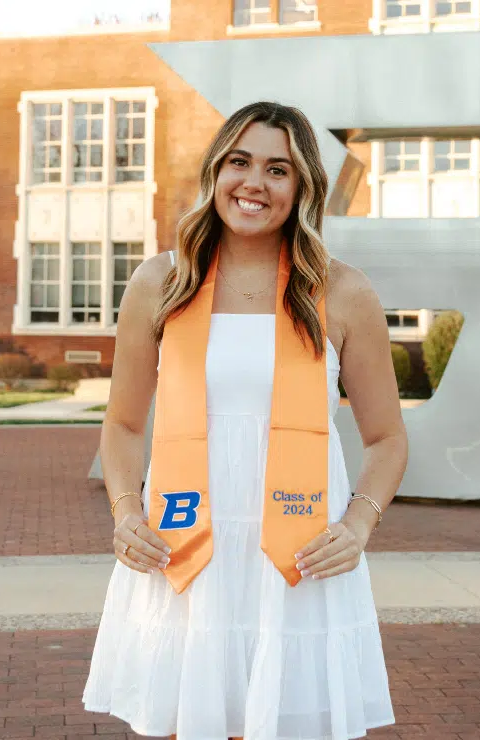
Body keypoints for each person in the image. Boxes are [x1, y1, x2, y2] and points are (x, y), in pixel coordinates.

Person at [83, 101, 408, 740]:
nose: (254, 183)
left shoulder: (342, 292)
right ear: (216, 171)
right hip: (183, 543)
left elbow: (388, 438)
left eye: (277, 169)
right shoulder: (162, 282)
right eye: (240, 162)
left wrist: (358, 525)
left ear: (302, 186)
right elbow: (122, 426)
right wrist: (125, 513)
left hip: (297, 557)